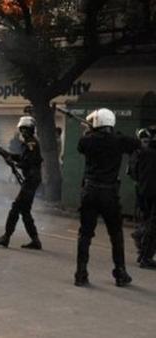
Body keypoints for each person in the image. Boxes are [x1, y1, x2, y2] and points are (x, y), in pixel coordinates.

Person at [74, 108, 140, 287]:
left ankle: (81, 273)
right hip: (109, 193)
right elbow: (135, 143)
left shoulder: (87, 140)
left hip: (90, 190)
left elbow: (82, 145)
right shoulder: (119, 140)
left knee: (85, 234)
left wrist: (89, 131)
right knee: (116, 234)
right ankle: (120, 272)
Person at [0, 116, 43, 250]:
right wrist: (5, 153)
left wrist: (12, 162)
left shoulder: (31, 144)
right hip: (31, 179)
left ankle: (6, 237)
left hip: (31, 180)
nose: (22, 132)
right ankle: (35, 240)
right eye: (22, 129)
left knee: (16, 208)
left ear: (29, 130)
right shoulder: (29, 143)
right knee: (25, 211)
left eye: (25, 129)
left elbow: (26, 163)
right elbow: (21, 157)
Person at [134, 126, 156, 269]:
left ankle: (143, 251)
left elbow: (134, 172)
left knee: (149, 222)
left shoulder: (143, 152)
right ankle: (146, 256)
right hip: (152, 192)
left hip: (143, 192)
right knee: (153, 225)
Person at [128, 128, 151, 252]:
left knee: (146, 216)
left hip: (140, 187)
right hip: (146, 188)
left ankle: (142, 239)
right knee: (149, 218)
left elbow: (131, 172)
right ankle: (142, 236)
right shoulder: (144, 153)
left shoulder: (135, 153)